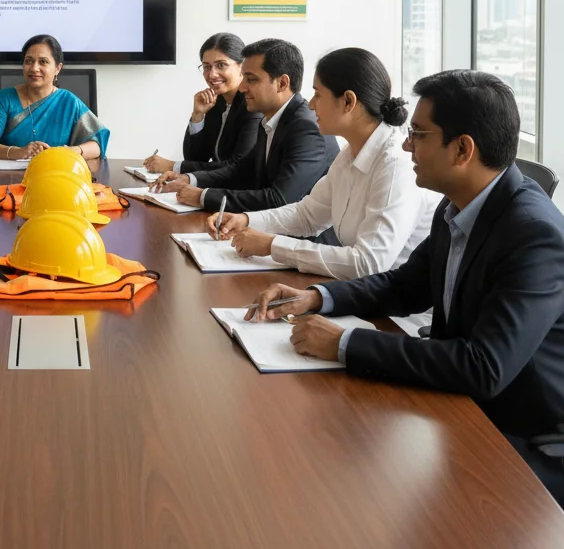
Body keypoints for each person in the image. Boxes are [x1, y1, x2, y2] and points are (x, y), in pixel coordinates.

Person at [246, 70, 564, 507]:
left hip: (518, 433)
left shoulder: (533, 234)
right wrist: (318, 298)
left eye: (418, 134)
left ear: (463, 149)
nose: (407, 145)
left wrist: (344, 343)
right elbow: (405, 286)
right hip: (458, 402)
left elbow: (484, 367)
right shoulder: (459, 203)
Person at [207, 48, 438, 279]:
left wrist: (273, 245)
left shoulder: (394, 164)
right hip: (359, 290)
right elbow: (307, 215)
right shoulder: (350, 154)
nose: (311, 104)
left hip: (392, 301)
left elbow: (368, 264)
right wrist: (246, 219)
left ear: (348, 101)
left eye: (317, 94)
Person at [155, 38, 338, 212]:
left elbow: (279, 199)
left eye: (251, 79)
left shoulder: (305, 128)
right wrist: (190, 179)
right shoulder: (271, 119)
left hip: (301, 233)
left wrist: (203, 196)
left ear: (282, 83)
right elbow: (241, 171)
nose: (242, 88)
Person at [142, 32, 261, 177]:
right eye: (207, 67)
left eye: (221, 65)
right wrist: (197, 116)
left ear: (241, 66)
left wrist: (173, 166)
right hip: (216, 183)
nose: (212, 74)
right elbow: (195, 158)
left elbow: (236, 165)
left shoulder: (253, 105)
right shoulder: (216, 102)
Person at [0, 34, 108, 161]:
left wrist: (74, 151)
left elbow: (97, 144)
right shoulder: (5, 98)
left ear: (57, 68)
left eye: (43, 62)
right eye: (29, 61)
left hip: (56, 172)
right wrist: (19, 152)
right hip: (11, 174)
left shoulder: (68, 101)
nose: (34, 68)